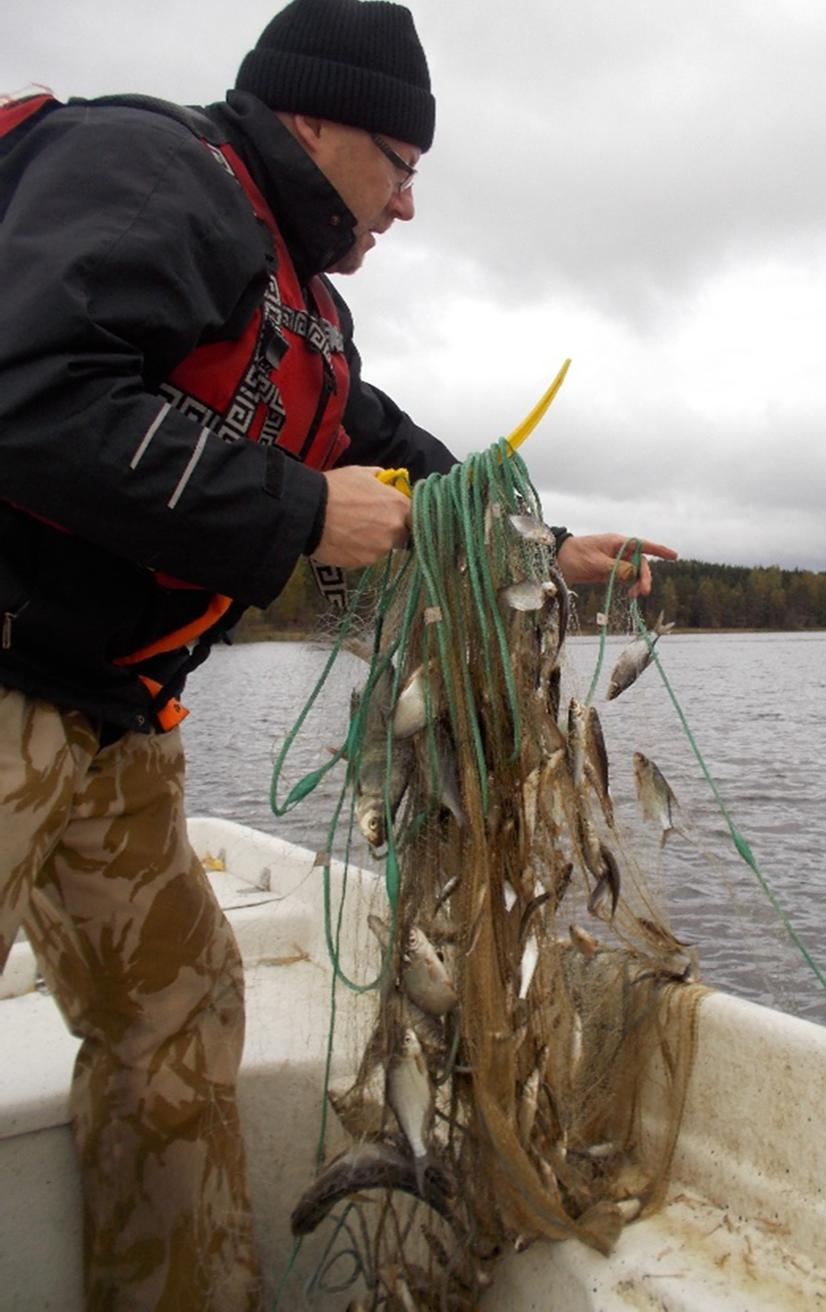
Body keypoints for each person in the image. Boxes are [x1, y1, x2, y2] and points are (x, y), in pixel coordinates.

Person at [0, 0, 676, 1306]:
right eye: (401, 164)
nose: (410, 207)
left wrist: (551, 550)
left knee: (176, 1023)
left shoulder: (303, 312)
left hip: (116, 723)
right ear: (309, 117)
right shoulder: (152, 173)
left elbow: (413, 473)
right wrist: (305, 510)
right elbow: (28, 387)